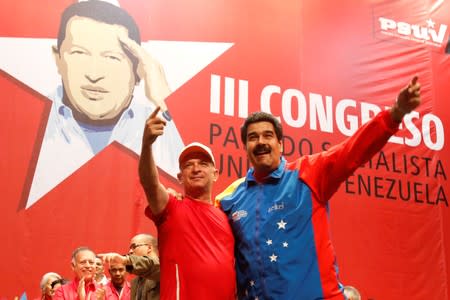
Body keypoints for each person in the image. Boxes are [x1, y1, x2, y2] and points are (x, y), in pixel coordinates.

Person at [216, 77, 421, 299]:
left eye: (268, 135)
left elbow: (353, 151)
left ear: (281, 144)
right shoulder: (231, 199)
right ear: (245, 147)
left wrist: (395, 114)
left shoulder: (308, 173)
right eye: (253, 138)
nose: (261, 142)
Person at [26, 0, 184, 208]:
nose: (94, 74)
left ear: (138, 70)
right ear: (58, 59)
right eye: (79, 54)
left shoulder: (160, 125)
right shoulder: (28, 121)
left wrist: (163, 99)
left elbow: (194, 180)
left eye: (112, 58)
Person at [138, 107, 236, 299]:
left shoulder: (227, 216)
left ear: (215, 174)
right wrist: (147, 145)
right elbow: (150, 183)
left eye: (203, 164)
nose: (196, 169)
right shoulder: (172, 206)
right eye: (188, 165)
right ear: (180, 177)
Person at [99, 233, 160, 300]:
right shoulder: (135, 282)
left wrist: (125, 259)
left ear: (149, 248)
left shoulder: (164, 269)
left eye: (134, 247)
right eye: (130, 248)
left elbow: (153, 264)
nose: (130, 251)